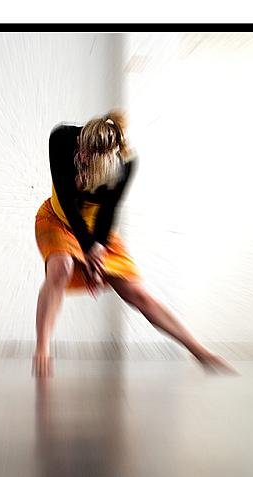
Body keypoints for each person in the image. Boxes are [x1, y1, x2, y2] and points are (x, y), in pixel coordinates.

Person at [33, 110, 237, 377]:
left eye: (89, 159)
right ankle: (43, 349)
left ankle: (200, 352)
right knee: (61, 268)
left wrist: (97, 250)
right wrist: (88, 249)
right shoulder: (62, 138)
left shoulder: (125, 164)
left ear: (109, 163)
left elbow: (108, 212)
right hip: (58, 219)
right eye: (81, 151)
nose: (81, 158)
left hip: (96, 229)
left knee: (137, 293)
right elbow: (68, 201)